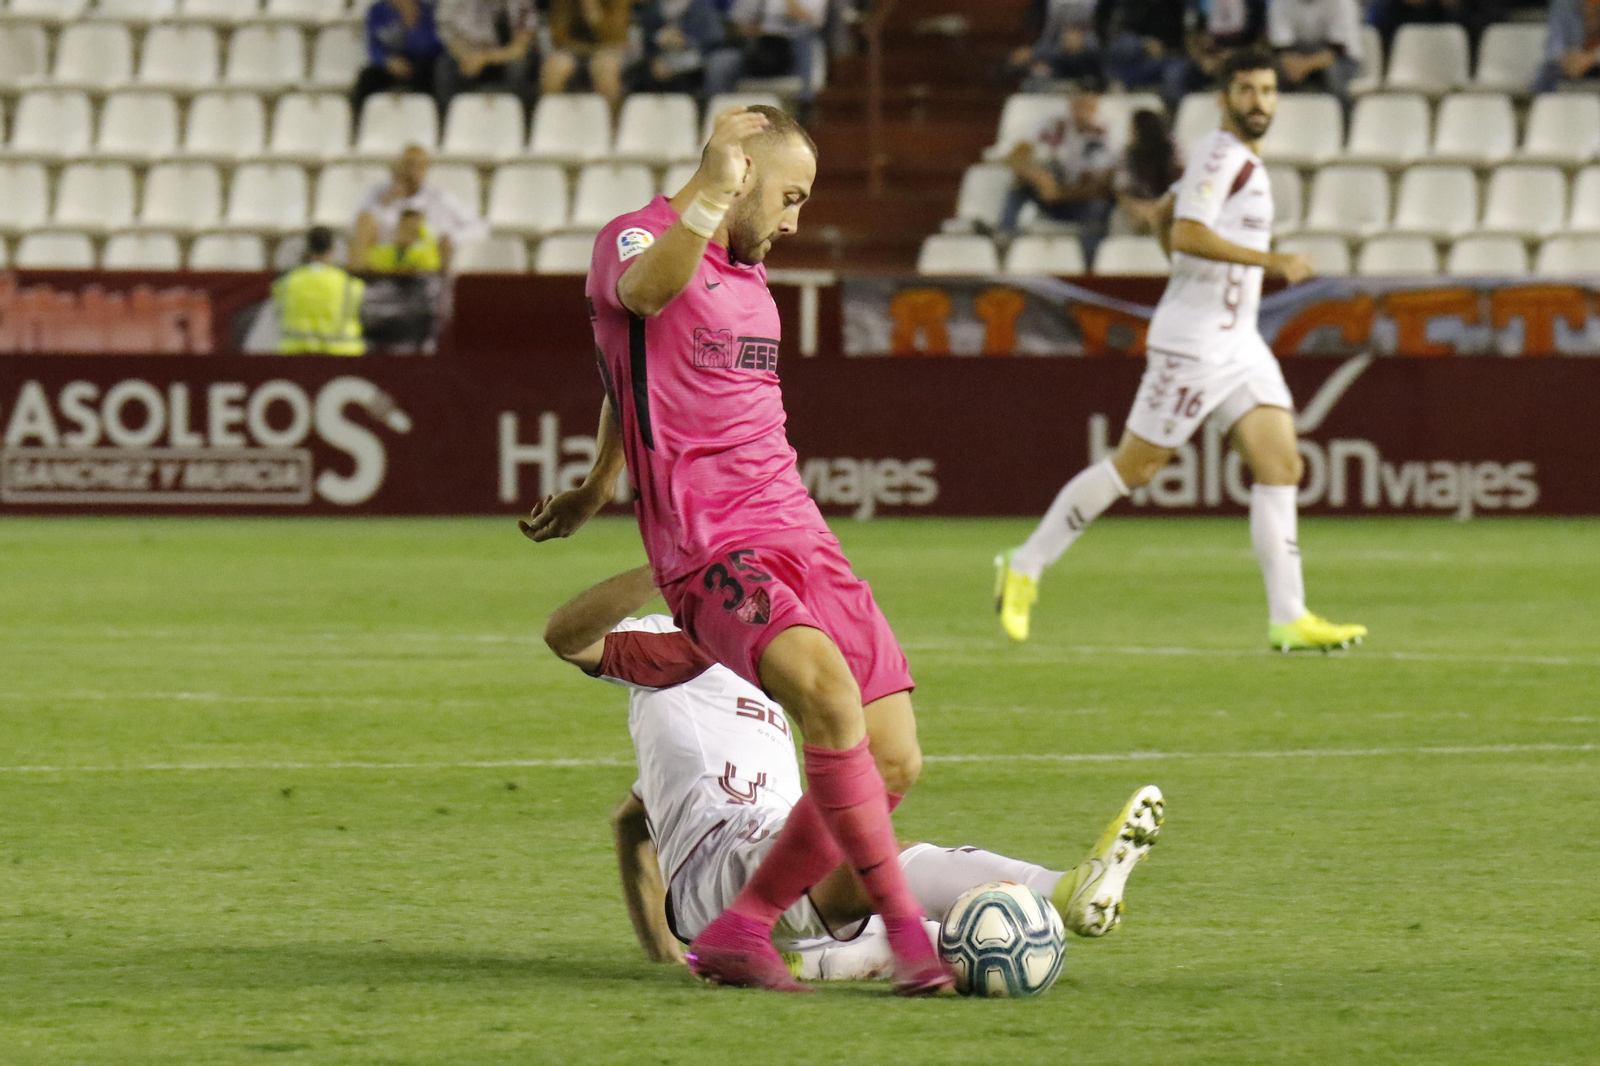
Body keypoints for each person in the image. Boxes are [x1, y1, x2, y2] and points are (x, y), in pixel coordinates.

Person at [521, 106, 952, 995]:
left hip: (799, 526)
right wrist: (711, 194)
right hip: (709, 541)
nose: (795, 220)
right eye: (788, 197)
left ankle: (742, 930)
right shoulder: (635, 238)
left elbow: (622, 370)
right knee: (828, 701)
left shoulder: (752, 277)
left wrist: (601, 479)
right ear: (739, 174)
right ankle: (911, 942)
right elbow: (639, 303)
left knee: (896, 754)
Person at [542, 567, 1166, 975]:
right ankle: (1062, 889)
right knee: (867, 850)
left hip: (767, 870)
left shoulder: (769, 660)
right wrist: (667, 566)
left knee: (951, 939)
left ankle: (999, 931)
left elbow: (631, 823)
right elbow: (566, 638)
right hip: (727, 859)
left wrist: (666, 949)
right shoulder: (667, 643)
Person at [995, 47, 1368, 653]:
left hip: (1239, 340)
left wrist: (1182, 252)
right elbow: (1190, 232)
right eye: (1246, 90)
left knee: (1281, 466)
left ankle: (1289, 616)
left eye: (1269, 91)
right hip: (1195, 344)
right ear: (1223, 99)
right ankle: (1025, 563)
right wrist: (1272, 261)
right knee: (1135, 468)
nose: (1259, 102)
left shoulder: (1230, 159)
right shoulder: (1224, 156)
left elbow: (1165, 215)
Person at [999, 80, 1121, 264]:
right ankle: (1004, 239)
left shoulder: (1107, 135)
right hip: (1049, 194)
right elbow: (1013, 158)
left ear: (1096, 106)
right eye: (1078, 104)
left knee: (1100, 207)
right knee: (1019, 185)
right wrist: (1039, 177)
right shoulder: (1053, 125)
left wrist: (1062, 194)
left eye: (1088, 106)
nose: (1082, 111)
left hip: (1081, 200)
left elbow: (1105, 186)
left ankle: (1090, 263)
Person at [349, 145, 487, 275]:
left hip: (424, 257)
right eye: (407, 164)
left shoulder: (440, 198)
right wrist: (386, 202)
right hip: (384, 255)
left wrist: (447, 238)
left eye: (417, 166)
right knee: (365, 221)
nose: (410, 171)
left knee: (415, 223)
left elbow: (479, 228)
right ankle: (361, 282)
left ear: (425, 169)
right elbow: (357, 226)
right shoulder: (379, 193)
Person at [704, 0, 827, 105]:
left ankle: (805, 105)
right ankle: (721, 114)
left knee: (804, 43)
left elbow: (813, 21)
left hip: (793, 49)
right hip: (759, 47)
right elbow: (738, 24)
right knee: (720, 61)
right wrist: (760, 30)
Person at [435, 0, 539, 114]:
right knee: (444, 66)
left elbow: (519, 49)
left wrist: (483, 58)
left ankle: (511, 116)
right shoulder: (452, 3)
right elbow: (449, 37)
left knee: (518, 67)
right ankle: (450, 119)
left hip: (504, 59)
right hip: (468, 56)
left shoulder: (522, 3)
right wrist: (467, 58)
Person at [273, 227, 365, 356]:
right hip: (341, 354)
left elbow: (278, 314)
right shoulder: (348, 284)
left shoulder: (286, 283)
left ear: (307, 251)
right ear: (332, 250)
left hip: (295, 354)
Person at [352, 0, 443, 120]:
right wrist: (387, 60)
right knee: (367, 77)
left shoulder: (426, 10)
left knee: (435, 75)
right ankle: (357, 121)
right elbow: (372, 46)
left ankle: (433, 119)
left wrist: (412, 24)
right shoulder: (377, 10)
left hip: (421, 64)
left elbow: (432, 47)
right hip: (390, 64)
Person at [1095, 0, 1191, 112]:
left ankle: (1172, 115)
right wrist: (1145, 44)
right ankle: (1113, 85)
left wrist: (1164, 47)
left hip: (1168, 57)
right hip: (1139, 58)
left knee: (1174, 73)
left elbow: (1185, 37)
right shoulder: (1132, 5)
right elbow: (1113, 30)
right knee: (1127, 45)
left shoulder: (1176, 5)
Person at [1267, 0, 1364, 106]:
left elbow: (1337, 50)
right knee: (1270, 72)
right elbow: (1281, 48)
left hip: (1341, 61)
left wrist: (1304, 66)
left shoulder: (1343, 3)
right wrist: (1293, 66)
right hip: (1296, 59)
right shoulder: (1280, 2)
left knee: (1332, 75)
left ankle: (1343, 118)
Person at [541, 0, 633, 110]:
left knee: (605, 68)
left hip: (611, 49)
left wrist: (592, 10)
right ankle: (553, 119)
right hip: (576, 49)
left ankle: (612, 123)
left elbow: (615, 37)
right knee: (555, 67)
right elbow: (558, 37)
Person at [627, 0, 725, 94]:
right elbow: (645, 40)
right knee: (636, 72)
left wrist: (685, 41)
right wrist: (657, 38)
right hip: (660, 60)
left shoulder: (701, 6)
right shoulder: (654, 7)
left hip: (693, 60)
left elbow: (715, 38)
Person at [1114, 108, 1182, 236]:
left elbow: (1182, 186)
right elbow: (1121, 190)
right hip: (1137, 209)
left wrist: (1159, 210)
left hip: (1167, 207)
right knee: (1118, 217)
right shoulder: (1126, 153)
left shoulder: (1176, 152)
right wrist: (1137, 209)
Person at [1004, 0, 1101, 88]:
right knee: (1036, 76)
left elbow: (1110, 43)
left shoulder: (1108, 4)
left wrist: (1085, 42)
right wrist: (1032, 53)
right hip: (1053, 62)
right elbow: (1041, 38)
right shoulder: (1042, 4)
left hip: (1096, 63)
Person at [1536, 0, 1600, 91]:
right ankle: (1545, 103)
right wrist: (1567, 57)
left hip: (1596, 60)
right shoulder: (1564, 3)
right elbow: (1553, 46)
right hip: (1573, 61)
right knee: (1549, 69)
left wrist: (1592, 57)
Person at [365, 208, 443, 273]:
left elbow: (427, 273)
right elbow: (372, 267)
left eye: (412, 230)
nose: (407, 234)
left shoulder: (427, 253)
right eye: (405, 228)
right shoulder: (384, 252)